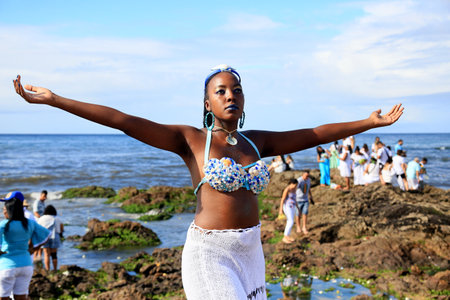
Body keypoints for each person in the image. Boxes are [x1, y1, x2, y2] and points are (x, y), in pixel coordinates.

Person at [13, 66, 403, 299]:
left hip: (251, 250)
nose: (230, 95)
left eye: (236, 89)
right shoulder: (191, 140)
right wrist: (55, 99)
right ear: (207, 103)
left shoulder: (258, 142)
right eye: (220, 91)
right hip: (209, 252)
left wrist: (368, 123)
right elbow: (122, 120)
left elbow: (314, 133)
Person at [0, 191, 50, 300]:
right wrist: (33, 249)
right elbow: (47, 235)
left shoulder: (4, 224)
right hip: (26, 265)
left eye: (5, 206)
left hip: (7, 266)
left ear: (9, 208)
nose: (3, 209)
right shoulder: (29, 223)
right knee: (21, 298)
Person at [37, 205, 64, 271]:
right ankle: (55, 269)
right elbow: (61, 228)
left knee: (46, 254)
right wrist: (61, 234)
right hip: (55, 237)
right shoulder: (57, 218)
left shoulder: (42, 218)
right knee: (54, 255)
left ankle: (47, 269)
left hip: (45, 237)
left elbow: (38, 228)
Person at [277, 179, 298, 244]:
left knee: (291, 221)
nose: (295, 186)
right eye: (295, 185)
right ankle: (285, 236)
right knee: (290, 221)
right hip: (287, 206)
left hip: (293, 206)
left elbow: (295, 199)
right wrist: (280, 210)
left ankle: (287, 235)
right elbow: (282, 199)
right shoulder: (287, 189)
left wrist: (297, 207)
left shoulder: (294, 189)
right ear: (291, 183)